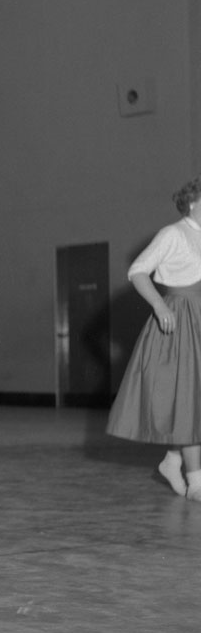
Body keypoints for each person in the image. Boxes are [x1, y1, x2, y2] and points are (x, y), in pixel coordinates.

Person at [106, 176, 201, 500]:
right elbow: (138, 270)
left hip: (200, 318)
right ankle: (197, 480)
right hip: (179, 320)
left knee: (195, 401)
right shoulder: (173, 234)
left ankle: (173, 460)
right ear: (193, 202)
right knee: (189, 400)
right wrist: (160, 306)